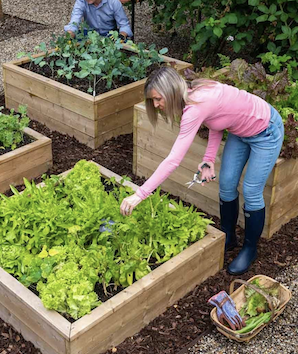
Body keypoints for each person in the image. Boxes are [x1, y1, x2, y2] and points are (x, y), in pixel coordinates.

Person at [119, 67, 284, 275]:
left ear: (171, 92)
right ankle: (228, 237)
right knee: (226, 184)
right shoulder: (193, 95)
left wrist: (140, 194)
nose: (156, 105)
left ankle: (250, 249)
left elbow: (173, 160)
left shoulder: (196, 105)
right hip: (239, 131)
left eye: (158, 99)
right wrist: (208, 160)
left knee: (251, 190)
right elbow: (216, 120)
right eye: (152, 101)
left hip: (265, 130)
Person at [64, 0, 133, 40]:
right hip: (88, 34)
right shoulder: (81, 2)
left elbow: (124, 25)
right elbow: (74, 23)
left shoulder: (114, 2)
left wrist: (121, 36)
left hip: (110, 34)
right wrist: (69, 35)